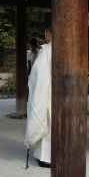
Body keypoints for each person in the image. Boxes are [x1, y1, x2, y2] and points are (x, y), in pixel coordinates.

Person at [24, 25, 52, 168]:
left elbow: (37, 76)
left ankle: (46, 157)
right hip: (64, 95)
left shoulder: (46, 51)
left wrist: (36, 96)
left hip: (47, 92)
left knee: (46, 122)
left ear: (48, 33)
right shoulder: (70, 49)